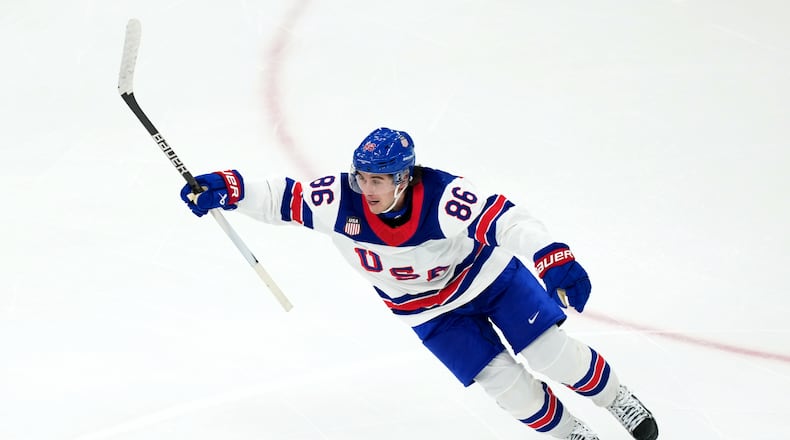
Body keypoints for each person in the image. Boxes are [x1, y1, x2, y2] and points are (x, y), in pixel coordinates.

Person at [179, 127, 659, 440]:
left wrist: (552, 256)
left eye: (378, 180)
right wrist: (228, 188)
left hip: (488, 281)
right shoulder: (338, 200)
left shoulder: (444, 196)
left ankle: (617, 400)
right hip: (427, 311)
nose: (366, 189)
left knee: (552, 354)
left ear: (404, 178)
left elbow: (508, 221)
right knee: (508, 388)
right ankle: (571, 433)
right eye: (361, 177)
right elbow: (279, 198)